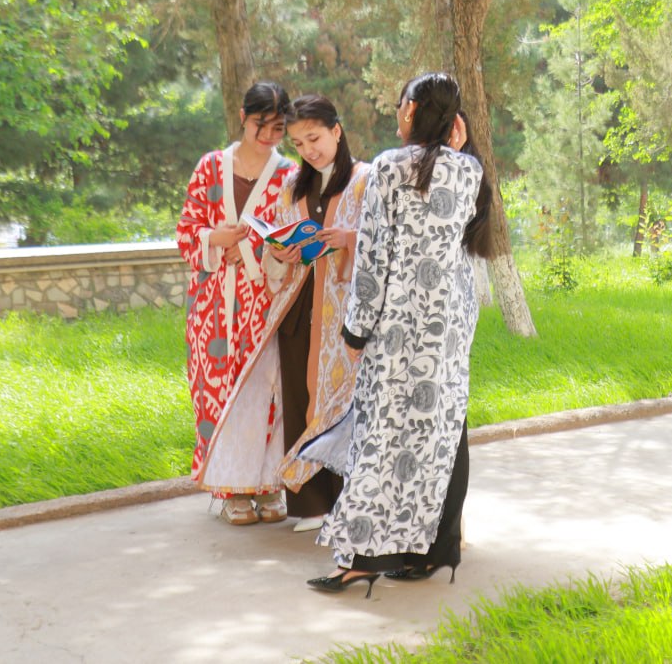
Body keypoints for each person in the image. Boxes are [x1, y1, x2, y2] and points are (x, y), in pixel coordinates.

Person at [302, 73, 487, 597]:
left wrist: (355, 328)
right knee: (443, 430)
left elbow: (373, 255)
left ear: (411, 111)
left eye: (401, 105)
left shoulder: (388, 167)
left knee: (380, 437)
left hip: (399, 324)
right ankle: (436, 552)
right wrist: (456, 149)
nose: (397, 113)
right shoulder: (469, 170)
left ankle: (362, 559)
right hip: (449, 324)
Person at [193, 95, 369, 530]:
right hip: (294, 306)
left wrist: (349, 240)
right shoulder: (293, 186)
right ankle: (310, 504)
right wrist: (280, 253)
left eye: (314, 138)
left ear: (336, 131)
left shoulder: (367, 180)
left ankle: (350, 500)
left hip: (343, 309)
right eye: (299, 142)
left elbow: (385, 240)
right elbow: (274, 247)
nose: (308, 150)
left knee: (343, 402)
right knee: (297, 400)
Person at [176, 81, 294, 524]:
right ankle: (230, 491)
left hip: (264, 304)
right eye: (261, 125)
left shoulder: (289, 175)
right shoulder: (210, 167)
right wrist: (216, 239)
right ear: (243, 117)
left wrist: (252, 250)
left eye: (278, 128)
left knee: (266, 392)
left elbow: (291, 237)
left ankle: (268, 485)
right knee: (218, 393)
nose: (268, 136)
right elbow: (186, 231)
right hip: (212, 307)